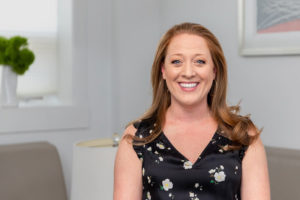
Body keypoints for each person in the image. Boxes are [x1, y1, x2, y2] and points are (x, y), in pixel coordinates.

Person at [114, 22, 270, 200]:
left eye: (199, 61)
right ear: (163, 70)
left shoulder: (244, 135)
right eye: (177, 61)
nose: (188, 72)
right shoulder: (136, 138)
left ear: (214, 71)